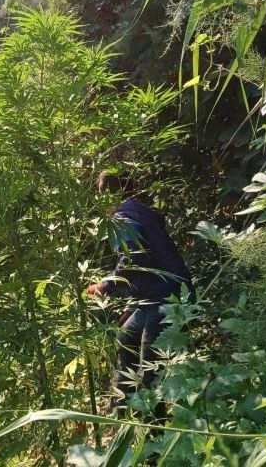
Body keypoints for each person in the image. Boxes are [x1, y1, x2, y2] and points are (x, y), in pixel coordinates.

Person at [86, 172, 195, 405]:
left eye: (100, 197)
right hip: (154, 296)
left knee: (150, 364)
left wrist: (105, 286)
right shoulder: (137, 212)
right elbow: (147, 262)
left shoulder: (123, 218)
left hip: (169, 297)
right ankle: (123, 404)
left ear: (109, 196)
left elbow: (133, 260)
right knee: (125, 336)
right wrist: (132, 303)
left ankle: (153, 425)